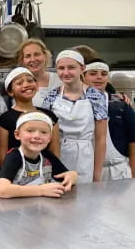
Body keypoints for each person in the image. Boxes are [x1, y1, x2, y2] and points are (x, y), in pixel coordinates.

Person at [41, 50, 108, 183]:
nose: (66, 72)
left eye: (71, 67)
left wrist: (97, 174)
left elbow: (101, 139)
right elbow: (45, 133)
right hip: (57, 153)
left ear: (82, 68)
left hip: (84, 155)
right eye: (61, 68)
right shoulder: (51, 96)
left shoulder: (96, 96)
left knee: (83, 198)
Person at [0, 111, 78, 198]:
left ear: (49, 138)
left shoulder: (47, 156)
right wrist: (41, 190)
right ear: (17, 134)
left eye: (43, 132)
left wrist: (72, 175)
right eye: (30, 130)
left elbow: (66, 175)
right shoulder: (14, 156)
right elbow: (3, 190)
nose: (37, 136)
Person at [0, 67, 60, 166]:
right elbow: (1, 159)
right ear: (10, 91)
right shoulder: (4, 120)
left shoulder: (49, 116)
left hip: (44, 174)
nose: (26, 85)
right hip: (15, 176)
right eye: (19, 83)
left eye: (30, 81)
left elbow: (54, 152)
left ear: (37, 86)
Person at [83, 59, 135, 180]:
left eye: (103, 74)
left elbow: (133, 141)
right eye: (93, 73)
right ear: (83, 77)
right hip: (86, 170)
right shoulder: (76, 103)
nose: (99, 77)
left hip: (118, 171)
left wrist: (133, 174)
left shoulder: (121, 105)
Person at [16, 39, 62, 107]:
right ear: (23, 60)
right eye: (28, 56)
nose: (33, 59)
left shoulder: (59, 80)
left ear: (45, 56)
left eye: (37, 54)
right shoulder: (17, 84)